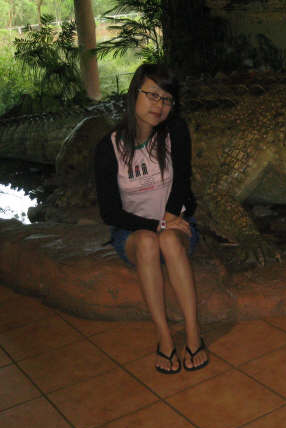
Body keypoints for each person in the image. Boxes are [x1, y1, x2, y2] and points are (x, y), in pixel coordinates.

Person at [94, 63, 208, 374]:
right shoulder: (109, 147)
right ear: (135, 94)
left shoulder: (175, 132)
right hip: (133, 231)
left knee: (168, 241)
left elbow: (182, 183)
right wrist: (155, 225)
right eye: (152, 95)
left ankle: (194, 334)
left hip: (176, 225)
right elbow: (110, 212)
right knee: (148, 242)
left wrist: (168, 220)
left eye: (167, 99)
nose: (159, 105)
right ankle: (165, 337)